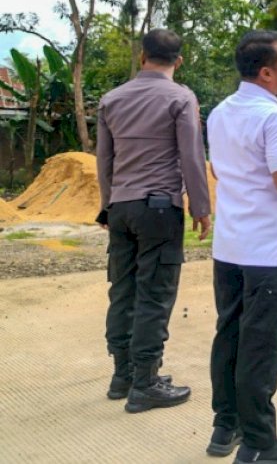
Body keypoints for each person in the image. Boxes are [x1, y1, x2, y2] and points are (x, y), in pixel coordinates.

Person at [205, 30, 277, 464]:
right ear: (268, 72)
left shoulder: (219, 112)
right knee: (262, 345)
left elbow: (220, 168)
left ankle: (225, 425)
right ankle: (259, 443)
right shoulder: (275, 115)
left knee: (229, 334)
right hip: (269, 250)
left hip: (231, 245)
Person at [95, 28, 211, 413]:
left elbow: (104, 161)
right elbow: (192, 157)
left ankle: (122, 376)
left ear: (142, 56)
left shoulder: (111, 99)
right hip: (160, 209)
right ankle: (145, 382)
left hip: (121, 207)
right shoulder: (180, 97)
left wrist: (108, 205)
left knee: (122, 290)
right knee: (154, 294)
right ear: (179, 61)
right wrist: (200, 207)